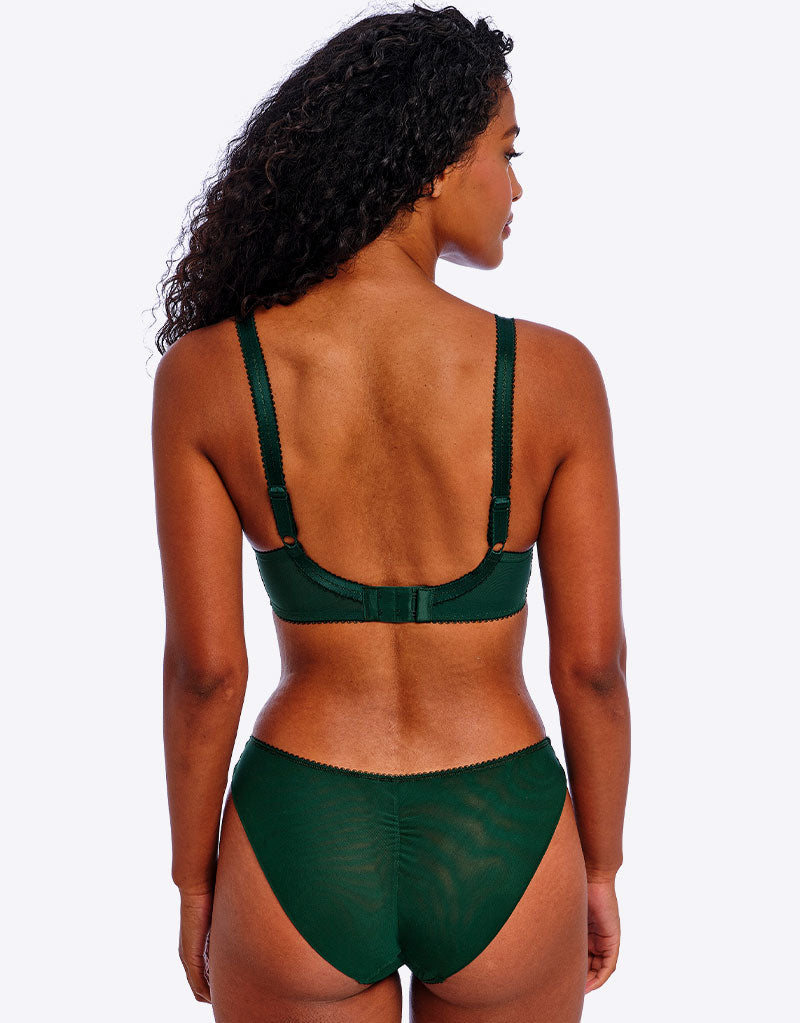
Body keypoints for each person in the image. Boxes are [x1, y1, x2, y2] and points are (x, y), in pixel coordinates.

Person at [151, 5, 630, 1021]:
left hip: (302, 829)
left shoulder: (208, 375)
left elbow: (205, 672)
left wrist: (194, 880)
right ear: (433, 164)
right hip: (499, 827)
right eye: (505, 152)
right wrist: (598, 865)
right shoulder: (552, 376)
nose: (515, 186)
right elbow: (591, 667)